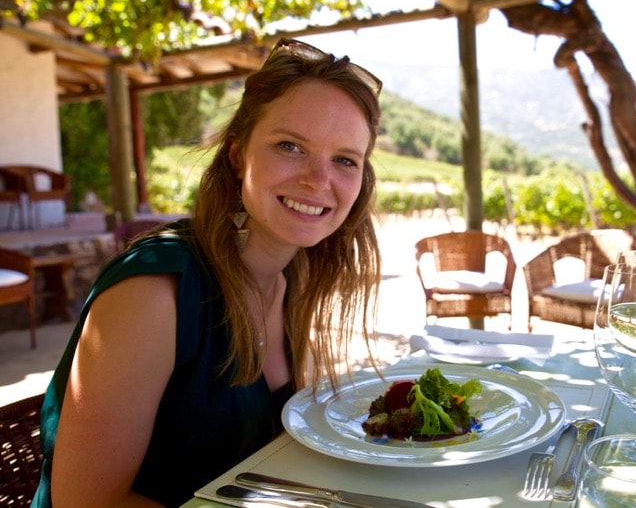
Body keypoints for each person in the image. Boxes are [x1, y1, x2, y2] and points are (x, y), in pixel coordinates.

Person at [32, 38, 383, 507]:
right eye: (290, 146)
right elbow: (85, 503)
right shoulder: (155, 293)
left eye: (345, 159)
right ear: (238, 156)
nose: (319, 180)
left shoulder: (292, 279)